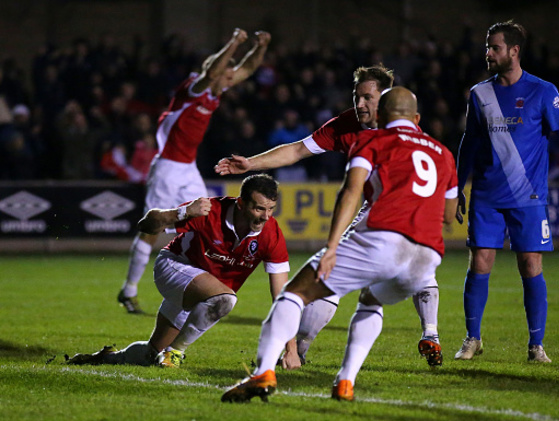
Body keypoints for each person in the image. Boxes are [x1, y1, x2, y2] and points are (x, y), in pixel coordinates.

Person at [221, 87, 458, 403]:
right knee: (371, 300)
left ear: (383, 116)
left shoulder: (371, 140)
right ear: (416, 118)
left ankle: (263, 372)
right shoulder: (442, 153)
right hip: (426, 257)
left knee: (295, 292)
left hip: (383, 238)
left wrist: (332, 246)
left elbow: (350, 191)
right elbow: (449, 215)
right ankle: (345, 382)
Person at [454, 21, 559, 363]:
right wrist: (456, 187)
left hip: (528, 196)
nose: (488, 53)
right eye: (488, 46)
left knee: (531, 265)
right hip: (486, 194)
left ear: (514, 51)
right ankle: (472, 338)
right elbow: (468, 143)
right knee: (480, 263)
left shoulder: (543, 91)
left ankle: (536, 345)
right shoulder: (479, 93)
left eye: (494, 47)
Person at [67, 174, 301, 369]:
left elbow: (282, 296)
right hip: (175, 268)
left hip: (203, 292)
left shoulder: (272, 234)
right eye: (259, 208)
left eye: (271, 209)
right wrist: (183, 213)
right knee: (225, 300)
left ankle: (107, 358)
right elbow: (146, 225)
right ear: (240, 203)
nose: (266, 216)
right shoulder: (211, 211)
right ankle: (176, 353)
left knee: (150, 354)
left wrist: (291, 349)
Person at [117, 28, 271, 314]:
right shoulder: (194, 88)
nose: (229, 78)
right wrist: (234, 42)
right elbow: (212, 72)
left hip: (188, 168)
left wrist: (261, 46)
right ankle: (128, 290)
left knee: (208, 221)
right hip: (166, 167)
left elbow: (248, 68)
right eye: (225, 72)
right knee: (152, 230)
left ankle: (199, 283)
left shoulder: (216, 86)